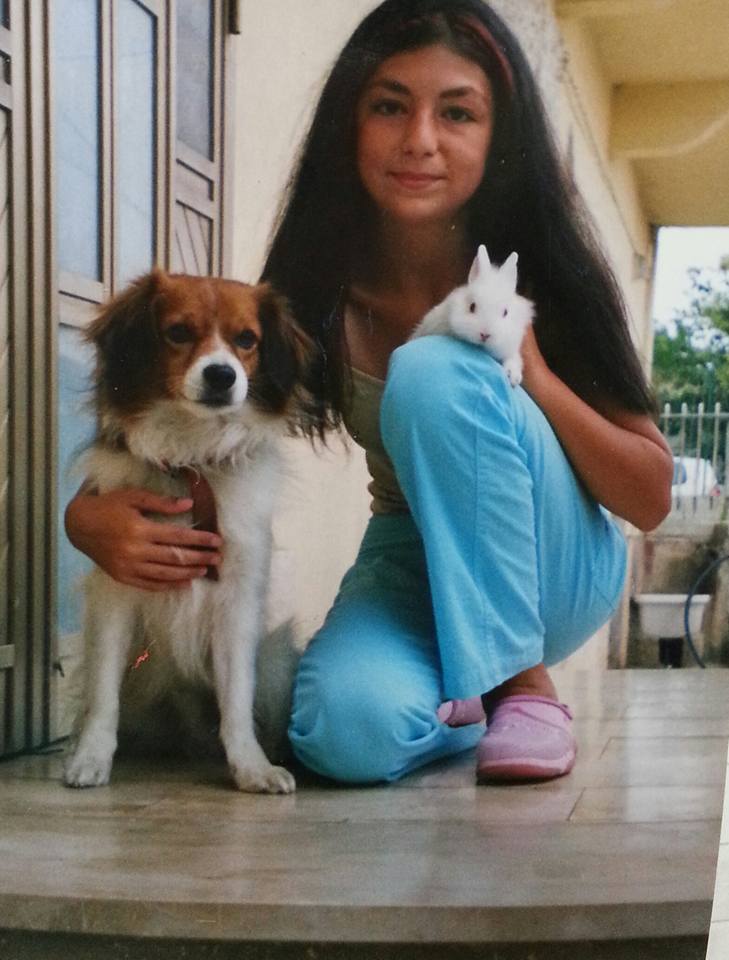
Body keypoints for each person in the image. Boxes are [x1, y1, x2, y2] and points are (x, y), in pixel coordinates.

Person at [66, 0, 673, 785]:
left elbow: (650, 497)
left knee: (433, 368)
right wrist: (84, 517)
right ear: (347, 124)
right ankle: (460, 707)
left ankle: (522, 688)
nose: (419, 138)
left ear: (499, 137)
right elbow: (203, 424)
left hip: (550, 559)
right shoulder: (312, 292)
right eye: (389, 106)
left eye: (457, 112)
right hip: (413, 555)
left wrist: (535, 375)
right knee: (338, 734)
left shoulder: (543, 277)